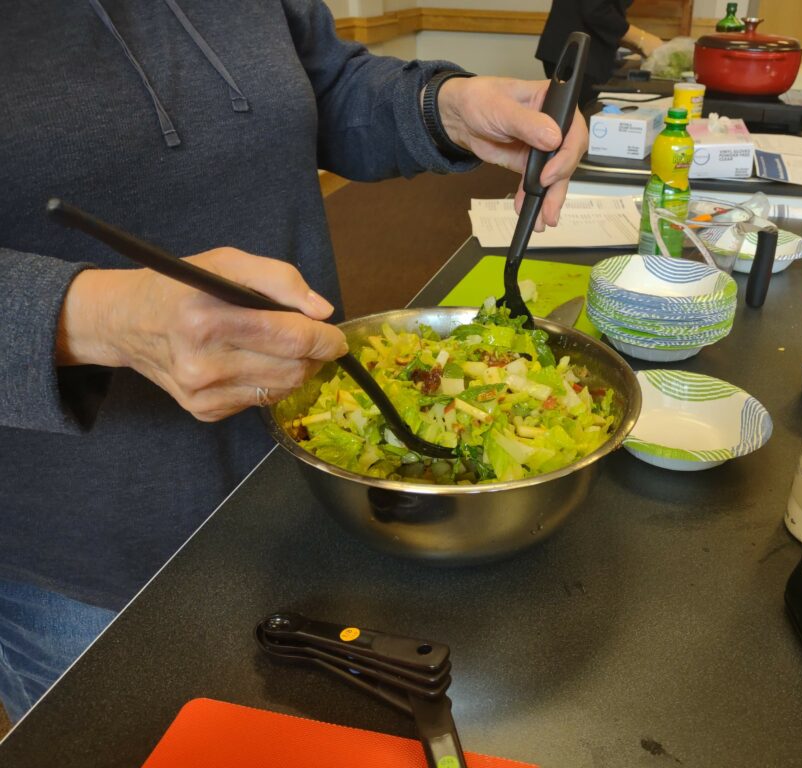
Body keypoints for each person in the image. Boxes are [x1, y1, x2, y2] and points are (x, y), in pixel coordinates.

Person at [0, 0, 587, 725]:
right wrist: (91, 318)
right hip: (90, 558)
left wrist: (443, 107)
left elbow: (320, 84)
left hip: (311, 478)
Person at [536, 0, 665, 106]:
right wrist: (641, 39)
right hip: (577, 54)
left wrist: (635, 43)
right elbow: (596, 10)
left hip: (576, 49)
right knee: (579, 123)